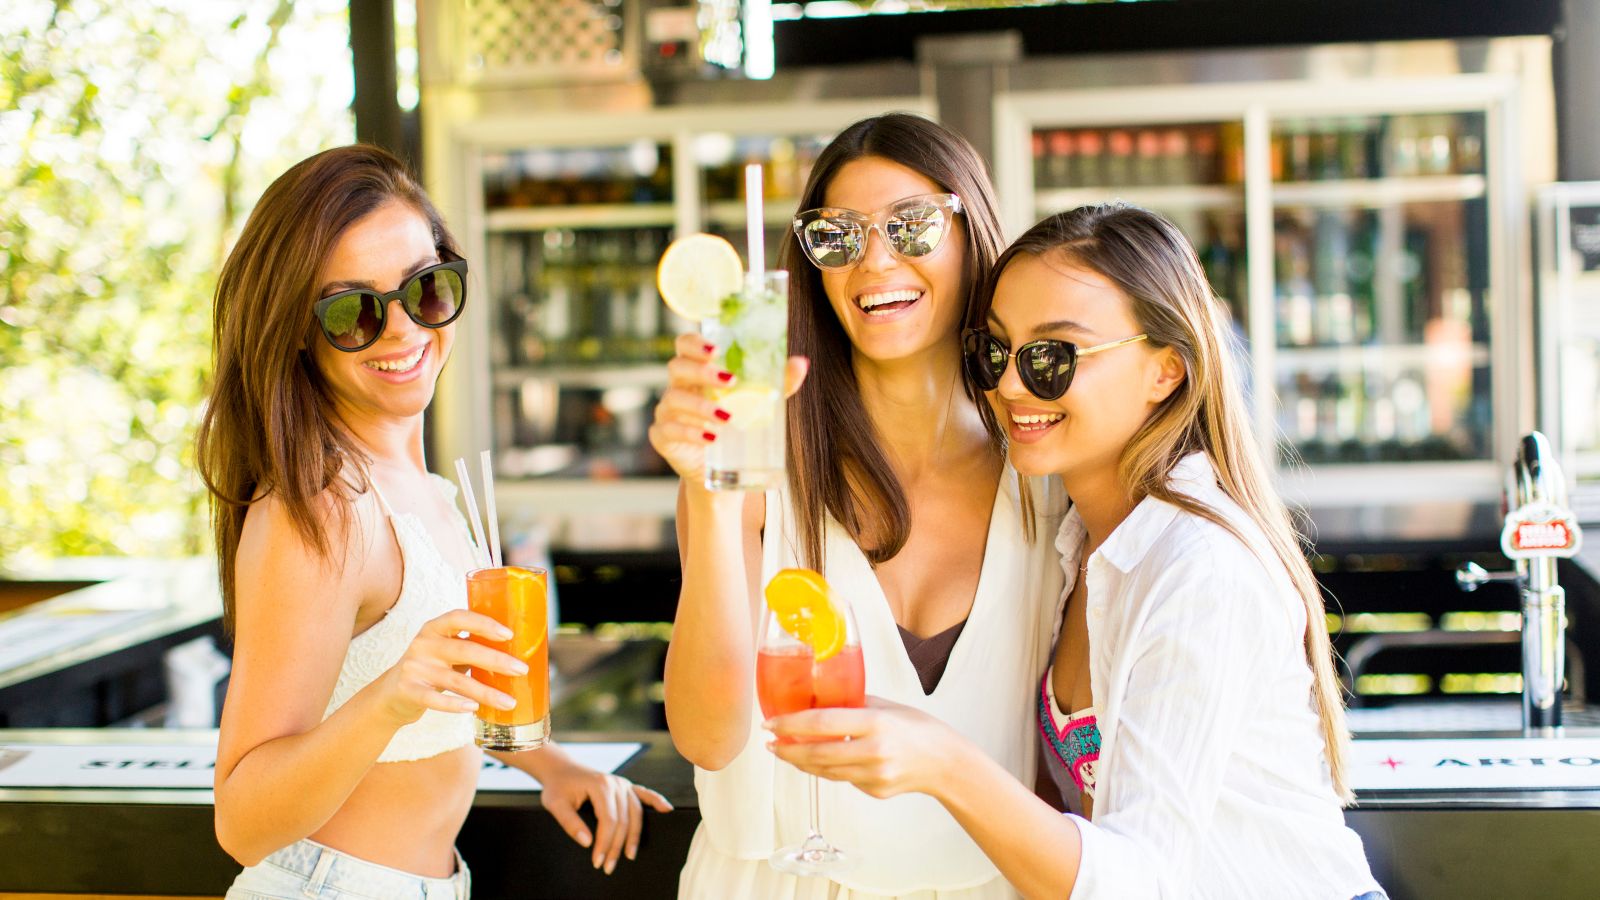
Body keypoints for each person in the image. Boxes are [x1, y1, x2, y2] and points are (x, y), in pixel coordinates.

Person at [768, 204, 1385, 899]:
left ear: (1167, 371)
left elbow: (1139, 881)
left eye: (1052, 357)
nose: (1008, 386)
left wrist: (942, 761)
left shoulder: (1199, 570)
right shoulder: (1077, 543)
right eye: (995, 352)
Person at [195, 145, 670, 899]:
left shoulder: (422, 489)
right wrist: (390, 695)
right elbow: (244, 821)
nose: (402, 329)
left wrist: (552, 763)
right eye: (352, 310)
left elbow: (441, 706)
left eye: (426, 289)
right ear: (296, 328)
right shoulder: (320, 507)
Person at [648, 113, 1066, 899]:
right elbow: (707, 737)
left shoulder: (1043, 468)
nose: (874, 260)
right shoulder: (753, 465)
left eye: (912, 226)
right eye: (837, 237)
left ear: (973, 233)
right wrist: (707, 490)